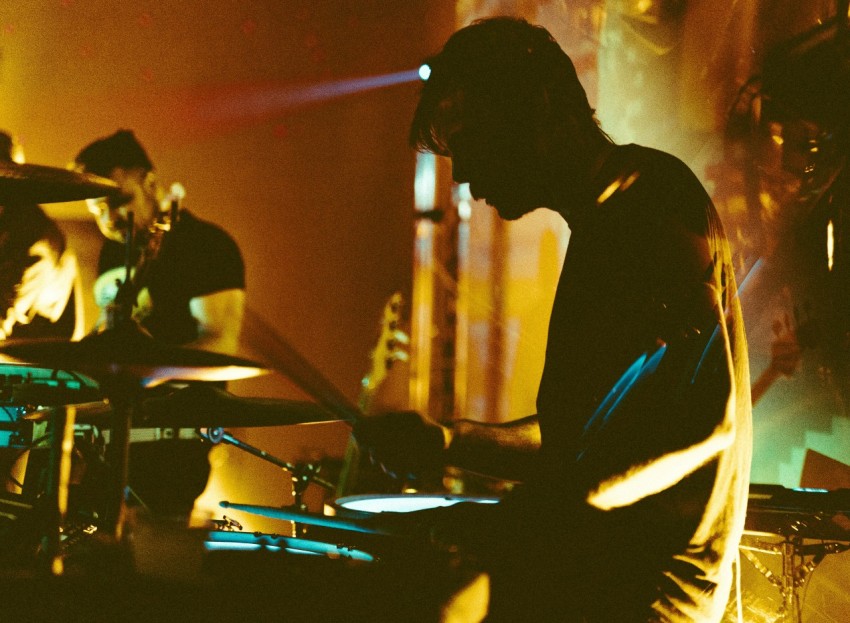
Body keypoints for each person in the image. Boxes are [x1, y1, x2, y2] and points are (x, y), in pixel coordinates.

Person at [353, 17, 752, 622]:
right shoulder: (604, 220)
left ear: (536, 106)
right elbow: (585, 440)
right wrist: (449, 442)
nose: (461, 174)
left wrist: (525, 517)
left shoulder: (649, 204)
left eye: (470, 138)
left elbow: (701, 423)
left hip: (644, 601)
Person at [73, 130, 246, 520]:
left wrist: (142, 373)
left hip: (174, 441)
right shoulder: (115, 250)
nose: (108, 218)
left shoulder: (207, 245)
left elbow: (220, 346)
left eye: (119, 202)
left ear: (151, 184)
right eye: (96, 209)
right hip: (113, 433)